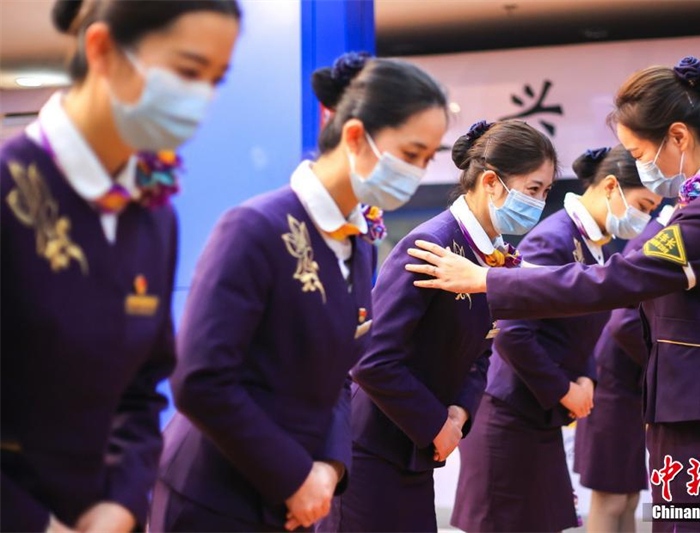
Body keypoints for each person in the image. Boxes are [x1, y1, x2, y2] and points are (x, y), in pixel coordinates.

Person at [407, 56, 700, 532]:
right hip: (698, 406)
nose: (644, 169)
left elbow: (618, 280)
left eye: (641, 153)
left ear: (679, 137)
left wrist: (487, 279)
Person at [148, 51, 448, 532]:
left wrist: (329, 466)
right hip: (215, 495)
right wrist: (293, 476)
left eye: (427, 159)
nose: (417, 172)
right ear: (355, 135)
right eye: (411, 154)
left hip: (303, 495)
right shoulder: (255, 227)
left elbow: (338, 374)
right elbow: (200, 380)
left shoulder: (359, 244)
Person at [0, 1, 240, 531]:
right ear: (102, 50)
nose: (200, 98)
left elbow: (140, 388)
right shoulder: (10, 188)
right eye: (186, 71)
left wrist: (121, 503)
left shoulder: (153, 215)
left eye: (215, 80)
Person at [320, 119, 556, 533]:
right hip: (371, 445)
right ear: (491, 182)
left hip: (418, 444)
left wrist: (459, 412)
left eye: (545, 193)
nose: (538, 203)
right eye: (532, 189)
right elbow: (372, 358)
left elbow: (482, 348)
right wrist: (435, 424)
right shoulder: (431, 245)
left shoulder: (492, 255)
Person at [451, 144, 661, 533]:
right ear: (612, 187)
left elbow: (580, 328)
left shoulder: (599, 245)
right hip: (508, 410)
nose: (643, 219)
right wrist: (564, 388)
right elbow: (514, 333)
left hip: (538, 412)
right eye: (642, 205)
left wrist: (585, 377)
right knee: (501, 522)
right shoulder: (554, 239)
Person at [573, 203, 674, 533]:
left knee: (629, 497)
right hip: (613, 390)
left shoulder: (661, 235)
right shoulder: (655, 240)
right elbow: (624, 322)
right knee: (611, 498)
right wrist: (661, 363)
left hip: (628, 390)